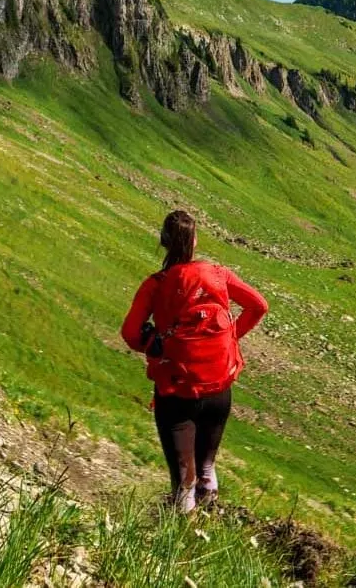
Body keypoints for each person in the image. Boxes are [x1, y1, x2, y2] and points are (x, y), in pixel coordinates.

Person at [121, 210, 269, 512]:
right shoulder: (218, 274)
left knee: (184, 482)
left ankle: (183, 542)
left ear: (163, 242)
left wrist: (154, 346)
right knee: (206, 467)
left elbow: (130, 333)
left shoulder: (156, 284)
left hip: (177, 392)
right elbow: (259, 306)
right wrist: (231, 338)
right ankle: (208, 521)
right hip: (219, 389)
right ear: (195, 240)